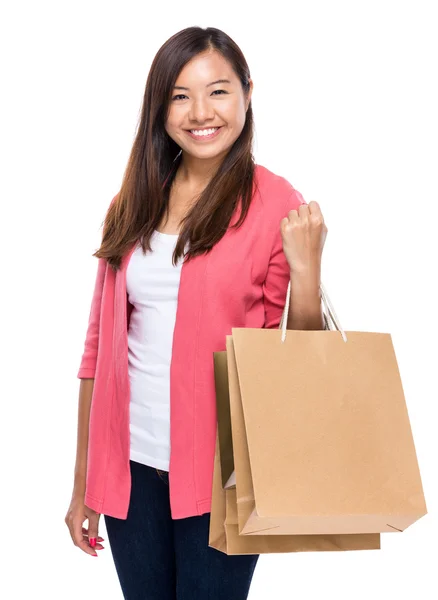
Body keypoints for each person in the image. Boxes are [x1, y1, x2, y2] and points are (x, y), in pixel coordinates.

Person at [65, 25, 327, 600]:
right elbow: (97, 350)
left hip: (225, 476)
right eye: (180, 95)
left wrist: (306, 272)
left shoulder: (275, 203)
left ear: (247, 95)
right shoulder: (131, 201)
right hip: (129, 473)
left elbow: (303, 366)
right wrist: (86, 479)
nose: (200, 112)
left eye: (218, 91)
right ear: (159, 107)